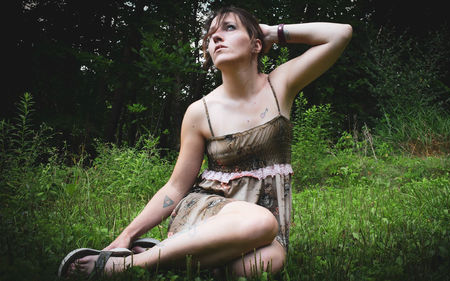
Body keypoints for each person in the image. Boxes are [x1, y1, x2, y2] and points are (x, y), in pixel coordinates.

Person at [58, 6, 352, 278]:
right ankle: (126, 265)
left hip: (261, 223)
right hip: (208, 209)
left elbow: (340, 34)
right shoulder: (200, 112)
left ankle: (162, 257)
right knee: (261, 223)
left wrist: (273, 31)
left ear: (256, 44)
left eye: (229, 28)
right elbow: (176, 186)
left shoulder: (279, 85)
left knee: (272, 261)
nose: (217, 38)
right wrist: (126, 234)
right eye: (211, 37)